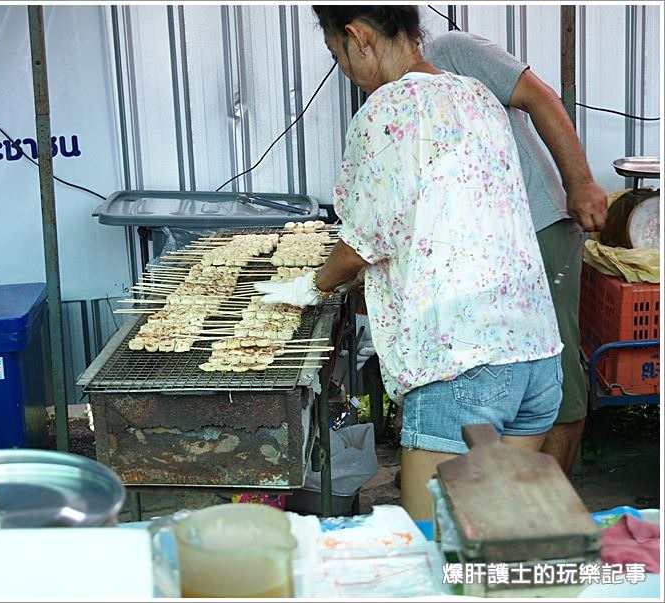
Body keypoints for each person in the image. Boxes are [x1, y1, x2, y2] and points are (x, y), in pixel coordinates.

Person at [255, 5, 564, 520]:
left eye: (338, 56)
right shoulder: (478, 95)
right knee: (495, 532)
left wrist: (312, 286)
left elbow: (363, 241)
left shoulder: (388, 108)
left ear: (358, 36)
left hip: (460, 364)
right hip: (534, 353)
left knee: (433, 548)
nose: (346, 71)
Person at [419, 31, 608, 475]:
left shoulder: (449, 51)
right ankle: (510, 491)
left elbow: (539, 97)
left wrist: (579, 181)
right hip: (490, 244)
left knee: (555, 361)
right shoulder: (400, 94)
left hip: (538, 224)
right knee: (505, 365)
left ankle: (551, 497)